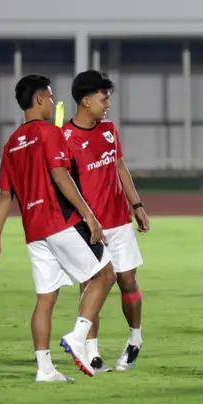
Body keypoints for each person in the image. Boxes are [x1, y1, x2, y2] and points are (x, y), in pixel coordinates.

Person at [0, 75, 116, 380]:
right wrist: (88, 214)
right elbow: (62, 177)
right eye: (49, 97)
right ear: (39, 100)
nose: (52, 102)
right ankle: (77, 337)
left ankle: (44, 369)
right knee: (104, 274)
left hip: (33, 230)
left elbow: (4, 197)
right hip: (59, 221)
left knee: (46, 297)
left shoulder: (10, 145)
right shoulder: (49, 133)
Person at [63, 70, 151, 373]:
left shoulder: (109, 129)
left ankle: (135, 340)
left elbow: (119, 166)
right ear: (86, 101)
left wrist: (136, 204)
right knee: (91, 287)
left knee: (128, 281)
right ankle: (92, 352)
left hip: (119, 222)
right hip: (87, 227)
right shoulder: (66, 139)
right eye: (104, 98)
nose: (108, 105)